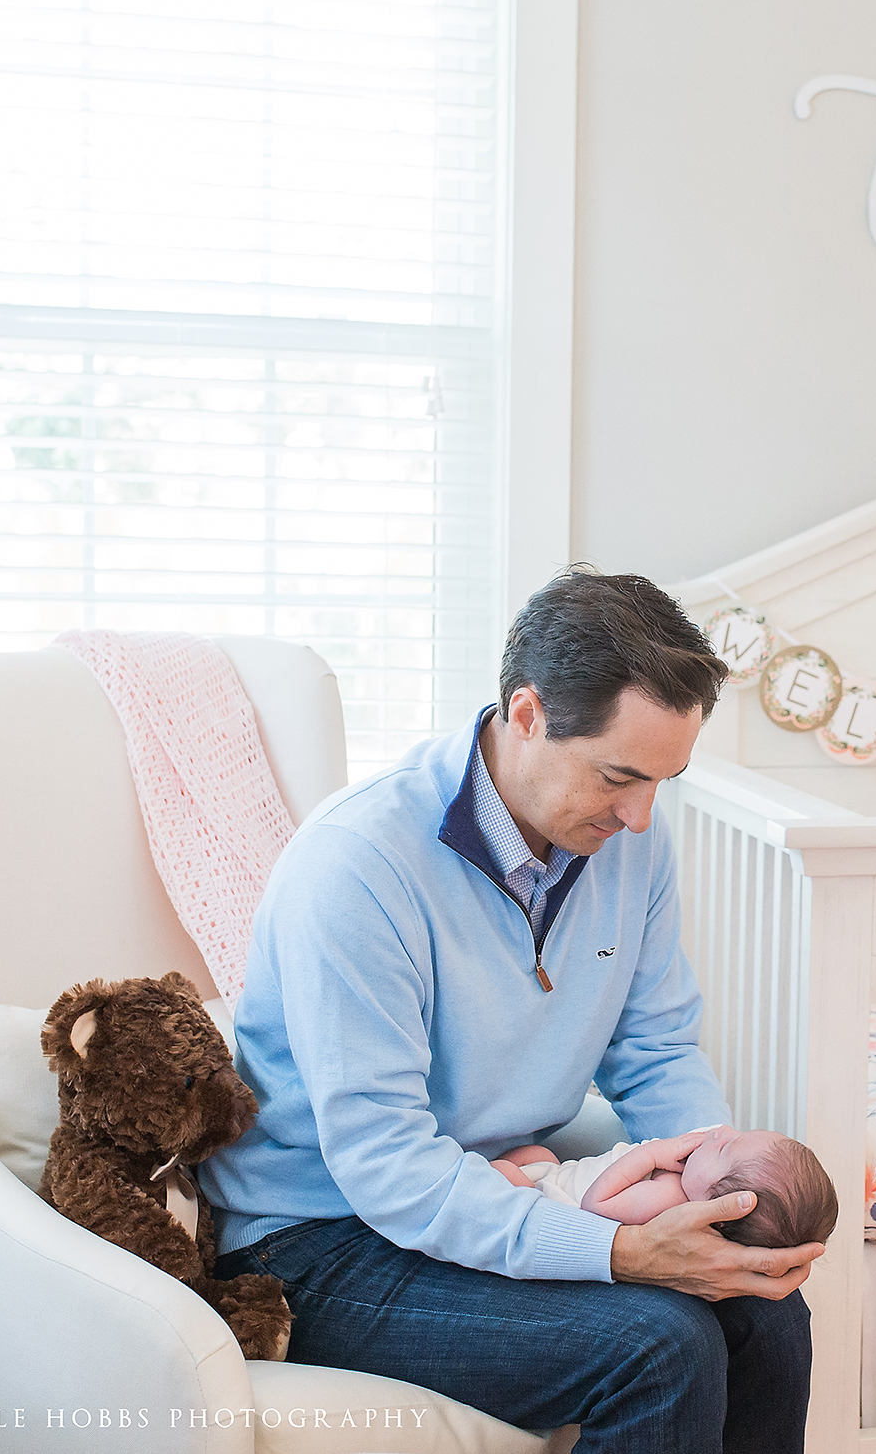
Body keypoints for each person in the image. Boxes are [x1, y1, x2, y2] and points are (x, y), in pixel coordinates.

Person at [200, 567, 825, 1452]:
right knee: (659, 1348)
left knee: (768, 1313)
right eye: (619, 775)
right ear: (527, 714)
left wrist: (725, 1207)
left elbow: (652, 1046)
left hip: (503, 1177)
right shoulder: (356, 868)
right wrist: (616, 1252)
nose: (642, 817)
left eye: (663, 782)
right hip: (318, 1239)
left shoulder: (627, 848)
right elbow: (387, 1164)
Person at [492, 1126, 839, 1251]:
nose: (722, 1131)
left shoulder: (668, 1197)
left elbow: (596, 1205)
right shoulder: (687, 1182)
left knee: (504, 1173)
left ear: (716, 1201)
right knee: (536, 1155)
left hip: (554, 1205)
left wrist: (650, 1154)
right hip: (558, 1174)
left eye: (723, 1148)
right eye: (738, 1134)